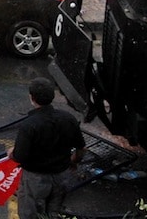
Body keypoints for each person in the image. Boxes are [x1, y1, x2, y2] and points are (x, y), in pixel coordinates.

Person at [8, 78, 86, 219]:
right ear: (52, 96)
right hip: (61, 176)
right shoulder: (68, 119)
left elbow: (19, 156)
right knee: (53, 211)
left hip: (35, 180)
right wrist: (73, 161)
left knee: (30, 214)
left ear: (32, 98)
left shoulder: (29, 125)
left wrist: (11, 153)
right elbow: (81, 148)